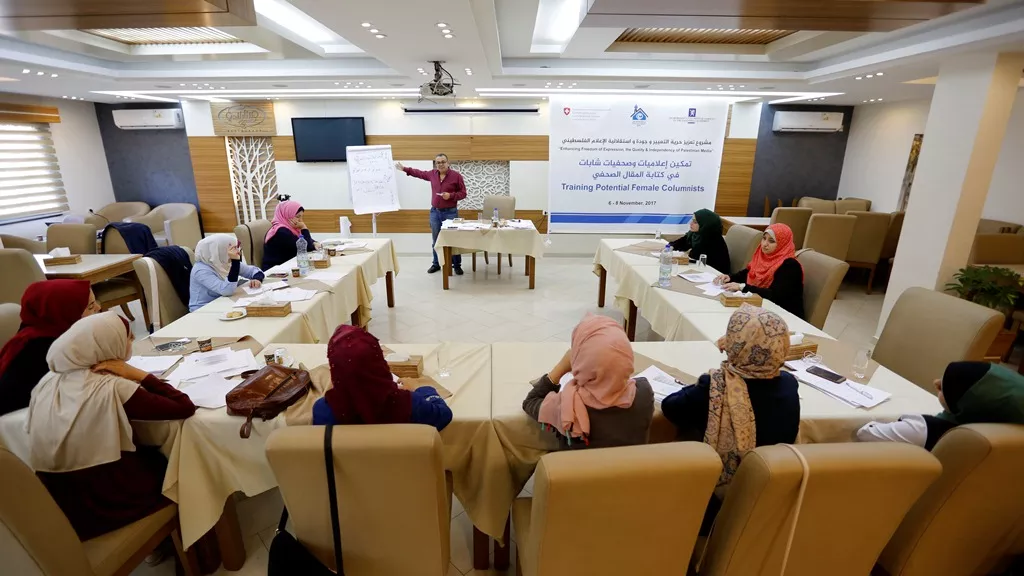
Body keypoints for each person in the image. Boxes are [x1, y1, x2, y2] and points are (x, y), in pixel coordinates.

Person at [26, 312, 196, 540]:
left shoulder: (49, 380)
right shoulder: (109, 386)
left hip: (63, 501)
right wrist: (139, 375)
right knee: (184, 464)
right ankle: (199, 545)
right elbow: (183, 407)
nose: (133, 340)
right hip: (107, 500)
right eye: (128, 337)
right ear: (107, 345)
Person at [661, 304, 799, 531]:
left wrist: (710, 378)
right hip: (767, 497)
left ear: (735, 344)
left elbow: (670, 407)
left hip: (712, 505)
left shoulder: (714, 387)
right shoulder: (789, 384)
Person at [522, 314, 654, 449]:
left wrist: (561, 368)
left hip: (574, 463)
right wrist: (614, 371)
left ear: (580, 361)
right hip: (630, 463)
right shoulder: (644, 392)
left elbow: (530, 402)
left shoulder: (566, 407)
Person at [857, 361, 1024, 450]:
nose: (935, 383)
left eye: (944, 388)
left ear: (966, 405)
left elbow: (865, 433)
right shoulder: (1011, 439)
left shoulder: (926, 430)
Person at [312, 325, 452, 430]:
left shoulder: (323, 410)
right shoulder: (410, 404)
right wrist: (421, 389)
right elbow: (444, 414)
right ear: (378, 363)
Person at [0, 280, 100, 416]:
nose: (98, 307)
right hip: (24, 419)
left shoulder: (42, 328)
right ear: (66, 312)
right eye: (90, 306)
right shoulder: (45, 349)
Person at [395, 154, 467, 275]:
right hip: (435, 212)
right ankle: (436, 264)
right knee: (436, 240)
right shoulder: (432, 174)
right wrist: (405, 169)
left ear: (448, 163)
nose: (440, 164)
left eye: (443, 162)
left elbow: (463, 193)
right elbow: (419, 173)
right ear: (435, 164)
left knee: (453, 239)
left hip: (450, 213)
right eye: (438, 162)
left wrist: (451, 196)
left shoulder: (456, 176)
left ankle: (457, 265)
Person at [714, 223, 805, 319]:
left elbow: (774, 296)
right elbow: (750, 273)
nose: (765, 244)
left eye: (771, 241)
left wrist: (743, 287)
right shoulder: (763, 255)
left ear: (782, 243)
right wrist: (730, 277)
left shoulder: (790, 266)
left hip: (784, 316)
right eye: (764, 238)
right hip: (761, 309)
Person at [189, 234, 265, 312]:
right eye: (232, 249)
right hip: (203, 310)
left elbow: (255, 271)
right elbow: (226, 290)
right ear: (219, 251)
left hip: (222, 303)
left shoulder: (222, 262)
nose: (237, 252)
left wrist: (257, 279)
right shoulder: (201, 270)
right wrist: (235, 261)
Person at [670, 208, 731, 274]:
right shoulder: (696, 234)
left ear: (705, 224)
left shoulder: (712, 238)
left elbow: (694, 256)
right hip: (700, 269)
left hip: (715, 274)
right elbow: (682, 243)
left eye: (695, 222)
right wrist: (670, 247)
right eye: (692, 220)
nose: (691, 224)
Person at [262, 200, 317, 270]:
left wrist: (314, 242)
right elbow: (307, 248)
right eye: (298, 217)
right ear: (287, 215)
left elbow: (303, 240)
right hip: (275, 271)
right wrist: (303, 227)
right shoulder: (281, 232)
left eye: (301, 217)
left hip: (287, 267)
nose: (301, 220)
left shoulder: (289, 229)